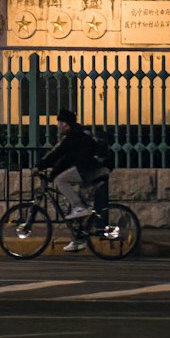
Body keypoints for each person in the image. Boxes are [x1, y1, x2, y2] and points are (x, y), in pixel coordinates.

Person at [38, 106, 103, 252]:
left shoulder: (73, 136)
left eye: (59, 122)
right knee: (70, 204)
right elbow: (64, 159)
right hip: (88, 169)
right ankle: (78, 239)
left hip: (88, 170)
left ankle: (80, 208)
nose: (57, 126)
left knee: (61, 182)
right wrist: (52, 172)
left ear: (65, 123)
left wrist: (40, 167)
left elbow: (59, 155)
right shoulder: (76, 134)